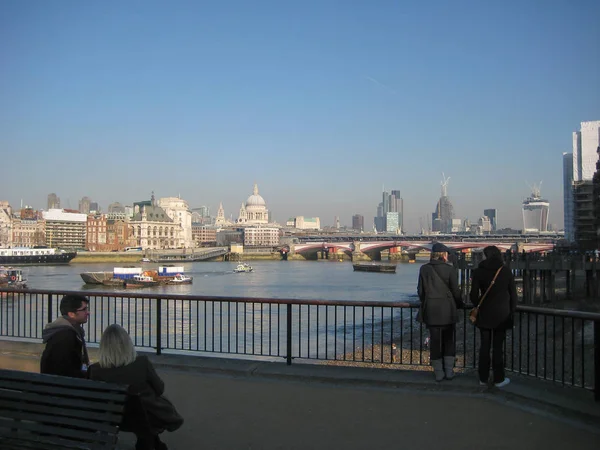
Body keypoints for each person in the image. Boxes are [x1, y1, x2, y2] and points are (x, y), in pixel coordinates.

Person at [89, 324, 183, 450]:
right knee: (148, 403)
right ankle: (151, 442)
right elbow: (159, 389)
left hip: (112, 418)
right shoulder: (142, 363)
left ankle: (153, 443)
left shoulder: (95, 370)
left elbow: (94, 399)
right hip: (145, 417)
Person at [469, 245, 517, 388]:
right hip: (502, 316)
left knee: (484, 346)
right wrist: (511, 312)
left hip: (484, 315)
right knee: (498, 348)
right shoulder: (506, 271)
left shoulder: (478, 272)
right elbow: (514, 296)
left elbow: (473, 295)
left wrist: (479, 305)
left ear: (486, 256)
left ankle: (483, 378)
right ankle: (498, 379)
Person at [417, 242, 464, 381]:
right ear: (443, 255)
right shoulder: (450, 270)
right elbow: (456, 291)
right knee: (449, 340)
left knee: (435, 342)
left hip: (431, 310)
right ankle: (449, 371)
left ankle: (438, 372)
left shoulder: (424, 269)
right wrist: (460, 305)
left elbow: (420, 291)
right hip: (448, 310)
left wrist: (428, 300)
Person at [40, 294, 90, 378]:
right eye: (84, 309)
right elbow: (63, 371)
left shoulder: (68, 331)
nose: (88, 312)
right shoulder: (65, 336)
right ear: (71, 314)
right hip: (62, 386)